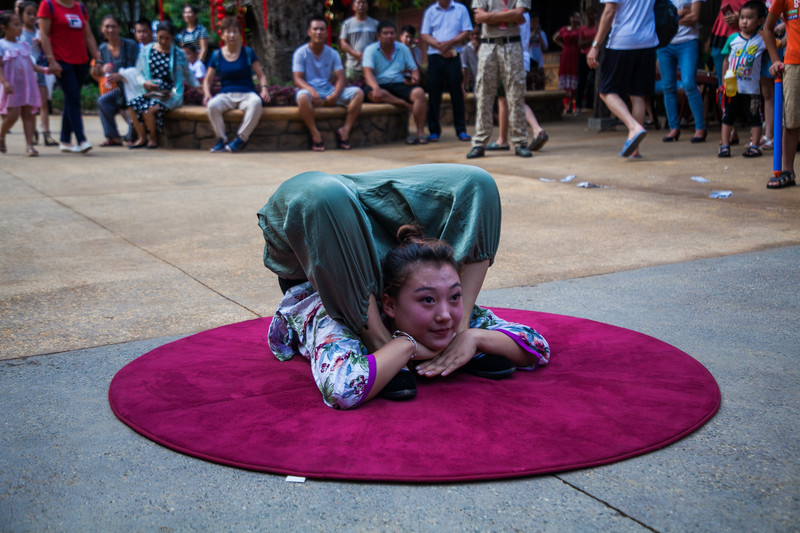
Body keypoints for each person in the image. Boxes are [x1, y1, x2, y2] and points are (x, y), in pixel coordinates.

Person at [259, 164, 551, 410]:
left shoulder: (442, 306)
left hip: (384, 248)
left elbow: (537, 345)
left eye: (455, 296)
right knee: (323, 196)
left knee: (479, 182)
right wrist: (403, 346)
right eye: (427, 301)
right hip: (325, 254)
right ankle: (378, 341)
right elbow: (343, 389)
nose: (445, 315)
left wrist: (471, 337)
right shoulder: (332, 319)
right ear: (389, 305)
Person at [587, 0, 659, 159]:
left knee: (606, 91)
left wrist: (595, 45)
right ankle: (635, 149)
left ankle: (634, 127)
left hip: (622, 42)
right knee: (638, 95)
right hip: (647, 42)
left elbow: (609, 11)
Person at [467, 0, 532, 159]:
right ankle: (479, 143)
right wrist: (511, 16)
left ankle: (520, 142)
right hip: (488, 45)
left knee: (516, 94)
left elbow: (519, 14)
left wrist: (489, 16)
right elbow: (479, 17)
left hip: (512, 44)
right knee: (483, 94)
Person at [38, 0, 102, 154]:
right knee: (73, 97)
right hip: (60, 60)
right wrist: (51, 60)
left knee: (71, 98)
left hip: (80, 60)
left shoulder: (80, 6)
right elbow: (44, 35)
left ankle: (65, 140)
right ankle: (81, 139)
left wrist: (97, 58)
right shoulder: (48, 5)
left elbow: (88, 36)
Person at [293, 17, 364, 152]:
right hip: (308, 91)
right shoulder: (300, 53)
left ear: (327, 33)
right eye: (315, 29)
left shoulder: (333, 53)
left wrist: (335, 95)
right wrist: (312, 91)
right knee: (302, 97)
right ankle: (316, 134)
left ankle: (345, 131)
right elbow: (297, 79)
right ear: (309, 32)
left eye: (322, 29)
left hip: (328, 89)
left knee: (358, 93)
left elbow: (341, 78)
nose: (318, 32)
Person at [203, 16, 270, 153]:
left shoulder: (248, 53)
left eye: (235, 32)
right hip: (226, 95)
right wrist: (207, 94)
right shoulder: (216, 55)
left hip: (247, 93)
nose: (232, 35)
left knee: (256, 102)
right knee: (212, 106)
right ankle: (221, 140)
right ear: (222, 35)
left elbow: (261, 75)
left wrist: (264, 89)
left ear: (240, 34)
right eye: (228, 32)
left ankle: (241, 139)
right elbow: (207, 80)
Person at [127, 20, 196, 149]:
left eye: (167, 38)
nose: (163, 41)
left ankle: (153, 138)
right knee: (132, 105)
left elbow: (188, 74)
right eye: (160, 37)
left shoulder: (178, 53)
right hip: (151, 91)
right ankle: (142, 137)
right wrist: (145, 82)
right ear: (156, 35)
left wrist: (199, 87)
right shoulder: (146, 50)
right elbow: (138, 73)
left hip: (170, 93)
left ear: (172, 38)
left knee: (149, 109)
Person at [487, 10, 548, 153]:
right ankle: (503, 139)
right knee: (506, 98)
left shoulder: (511, 13)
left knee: (509, 99)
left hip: (510, 58)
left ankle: (536, 129)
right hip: (521, 58)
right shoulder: (523, 12)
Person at [363, 20, 428, 145]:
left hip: (399, 84)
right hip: (379, 84)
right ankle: (405, 105)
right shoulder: (370, 50)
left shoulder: (403, 48)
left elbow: (414, 69)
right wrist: (375, 87)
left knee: (419, 93)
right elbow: (367, 72)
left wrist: (415, 79)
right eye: (385, 33)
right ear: (378, 36)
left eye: (392, 33)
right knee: (375, 94)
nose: (389, 36)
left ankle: (420, 132)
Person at [718, 1, 766, 158]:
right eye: (742, 17)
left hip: (752, 90)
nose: (744, 21)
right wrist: (724, 82)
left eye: (749, 18)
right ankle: (725, 145)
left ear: (760, 21)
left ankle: (755, 145)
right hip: (732, 89)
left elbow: (776, 45)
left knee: (755, 118)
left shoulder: (762, 39)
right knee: (728, 117)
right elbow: (726, 60)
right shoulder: (732, 39)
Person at [420, 0, 473, 142]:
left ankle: (461, 130)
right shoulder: (430, 11)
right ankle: (434, 131)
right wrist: (440, 47)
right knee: (434, 93)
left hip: (454, 55)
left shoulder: (460, 9)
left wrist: (449, 44)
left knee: (457, 93)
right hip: (435, 57)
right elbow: (425, 34)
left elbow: (467, 31)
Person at [657, 0, 707, 143]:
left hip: (688, 41)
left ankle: (700, 127)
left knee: (689, 83)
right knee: (668, 86)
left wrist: (672, 19)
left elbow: (695, 17)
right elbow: (656, 17)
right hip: (664, 44)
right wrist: (682, 14)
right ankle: (673, 127)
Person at [0, 10, 45, 156]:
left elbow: (32, 66)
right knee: (13, 115)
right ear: (4, 28)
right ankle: (1, 135)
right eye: (15, 25)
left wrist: (47, 70)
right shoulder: (1, 45)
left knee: (28, 115)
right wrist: (4, 82)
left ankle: (29, 145)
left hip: (27, 86)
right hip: (12, 86)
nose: (20, 28)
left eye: (20, 25)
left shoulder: (24, 45)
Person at [764, 0, 798, 188]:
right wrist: (775, 59)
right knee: (791, 120)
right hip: (793, 64)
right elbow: (768, 29)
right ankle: (787, 171)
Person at [93, 14, 138, 147]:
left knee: (130, 103)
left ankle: (132, 135)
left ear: (119, 29)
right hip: (116, 89)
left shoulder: (130, 45)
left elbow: (137, 68)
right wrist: (101, 69)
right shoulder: (102, 49)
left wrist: (122, 75)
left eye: (114, 26)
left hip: (132, 87)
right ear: (102, 29)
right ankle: (113, 137)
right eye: (107, 27)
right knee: (103, 101)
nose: (110, 30)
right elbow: (96, 70)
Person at [17, 1, 55, 146]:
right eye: (29, 14)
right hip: (26, 73)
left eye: (35, 14)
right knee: (29, 104)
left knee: (43, 103)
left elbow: (49, 50)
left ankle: (47, 133)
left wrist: (43, 45)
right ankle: (32, 132)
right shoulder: (19, 33)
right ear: (21, 15)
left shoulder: (41, 32)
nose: (33, 17)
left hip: (41, 70)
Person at [338, 0, 378, 82]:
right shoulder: (347, 24)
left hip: (371, 65)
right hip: (353, 66)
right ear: (353, 7)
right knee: (353, 91)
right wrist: (356, 54)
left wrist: (369, 55)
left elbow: (379, 41)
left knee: (372, 92)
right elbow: (343, 42)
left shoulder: (375, 23)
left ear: (367, 6)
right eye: (358, 2)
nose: (361, 5)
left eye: (364, 2)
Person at [553, 10, 582, 114]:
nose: (576, 19)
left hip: (576, 55)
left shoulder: (581, 30)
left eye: (578, 17)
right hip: (566, 55)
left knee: (574, 78)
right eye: (574, 17)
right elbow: (555, 38)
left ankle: (572, 104)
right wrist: (563, 46)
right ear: (570, 18)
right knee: (565, 80)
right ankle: (565, 104)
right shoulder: (564, 29)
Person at [576, 7, 597, 111]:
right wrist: (593, 41)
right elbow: (580, 44)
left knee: (596, 81)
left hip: (597, 57)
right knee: (581, 81)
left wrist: (589, 41)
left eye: (592, 14)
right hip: (585, 56)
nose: (590, 17)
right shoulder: (583, 29)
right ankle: (578, 106)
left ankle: (593, 104)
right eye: (588, 14)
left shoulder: (598, 28)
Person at [528, 10, 547, 90]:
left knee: (540, 86)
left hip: (539, 64)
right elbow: (525, 45)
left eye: (537, 22)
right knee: (529, 85)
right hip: (529, 64)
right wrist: (534, 32)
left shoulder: (542, 33)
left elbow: (544, 48)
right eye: (533, 22)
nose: (536, 24)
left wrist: (538, 34)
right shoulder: (526, 33)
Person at [461, 28, 480, 93]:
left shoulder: (486, 46)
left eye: (477, 34)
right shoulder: (466, 49)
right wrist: (462, 86)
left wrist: (477, 50)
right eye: (472, 34)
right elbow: (464, 67)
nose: (475, 36)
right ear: (469, 35)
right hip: (477, 81)